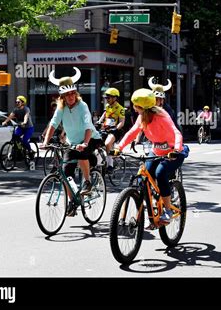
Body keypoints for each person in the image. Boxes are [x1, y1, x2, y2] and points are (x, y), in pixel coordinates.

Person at [112, 88, 186, 224]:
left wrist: (176, 149)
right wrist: (118, 147)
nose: (134, 109)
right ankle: (149, 211)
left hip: (173, 153)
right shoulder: (142, 117)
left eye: (136, 106)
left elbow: (176, 133)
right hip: (156, 152)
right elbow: (132, 133)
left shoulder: (162, 116)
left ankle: (168, 210)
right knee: (143, 179)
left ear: (143, 108)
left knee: (160, 172)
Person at [42, 67, 102, 216]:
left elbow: (88, 126)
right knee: (66, 174)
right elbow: (53, 124)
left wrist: (85, 143)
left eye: (72, 94)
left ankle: (87, 181)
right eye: (67, 95)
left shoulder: (83, 106)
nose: (70, 97)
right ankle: (73, 202)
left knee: (82, 154)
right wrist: (45, 142)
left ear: (76, 93)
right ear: (62, 97)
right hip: (72, 141)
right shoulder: (61, 108)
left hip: (91, 138)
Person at [97, 87, 126, 174]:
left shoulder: (120, 109)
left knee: (107, 143)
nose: (107, 99)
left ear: (115, 98)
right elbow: (104, 114)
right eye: (106, 97)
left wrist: (115, 128)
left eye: (108, 97)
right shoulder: (107, 106)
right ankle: (100, 162)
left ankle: (110, 165)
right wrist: (99, 122)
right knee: (96, 142)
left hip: (115, 131)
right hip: (106, 129)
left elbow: (122, 122)